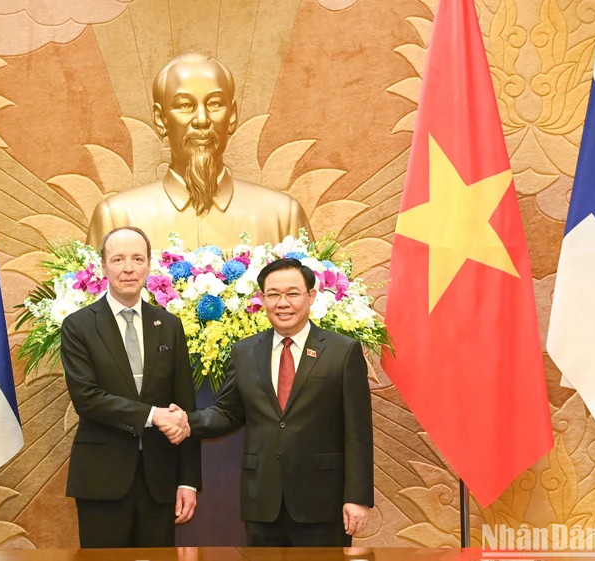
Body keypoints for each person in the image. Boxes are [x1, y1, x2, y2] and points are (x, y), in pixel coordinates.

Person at [168, 258, 373, 546]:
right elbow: (227, 413)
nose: (283, 303)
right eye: (273, 294)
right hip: (262, 502)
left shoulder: (342, 351)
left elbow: (358, 433)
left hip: (322, 502)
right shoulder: (245, 351)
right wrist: (187, 421)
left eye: (292, 293)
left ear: (311, 296)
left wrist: (357, 498)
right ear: (262, 299)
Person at [60, 226, 201, 548]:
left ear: (149, 265)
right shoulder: (79, 326)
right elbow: (87, 399)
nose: (128, 268)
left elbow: (184, 408)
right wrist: (154, 415)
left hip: (160, 479)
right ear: (103, 266)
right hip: (101, 478)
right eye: (118, 259)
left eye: (137, 259)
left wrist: (189, 481)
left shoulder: (168, 325)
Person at [87, 53, 313, 250]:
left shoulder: (283, 218)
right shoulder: (117, 218)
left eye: (214, 104)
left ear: (232, 116)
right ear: (160, 119)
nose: (202, 120)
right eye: (185, 105)